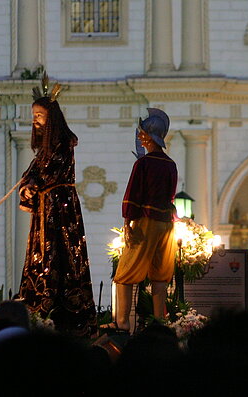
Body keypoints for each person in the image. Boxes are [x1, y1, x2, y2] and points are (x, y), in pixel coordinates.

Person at [18, 82, 96, 336]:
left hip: (61, 208)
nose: (36, 121)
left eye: (40, 115)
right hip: (45, 208)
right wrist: (26, 186)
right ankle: (38, 303)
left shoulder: (63, 142)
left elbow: (51, 172)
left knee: (63, 255)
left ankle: (66, 310)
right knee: (42, 254)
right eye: (34, 116)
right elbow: (32, 173)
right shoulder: (43, 151)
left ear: (51, 117)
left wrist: (35, 184)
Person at [110, 108, 178, 332]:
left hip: (145, 221)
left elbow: (133, 194)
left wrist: (127, 221)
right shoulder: (170, 164)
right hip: (166, 223)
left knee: (125, 274)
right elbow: (170, 196)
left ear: (149, 136)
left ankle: (122, 323)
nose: (139, 136)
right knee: (160, 276)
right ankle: (160, 324)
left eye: (142, 133)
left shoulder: (143, 164)